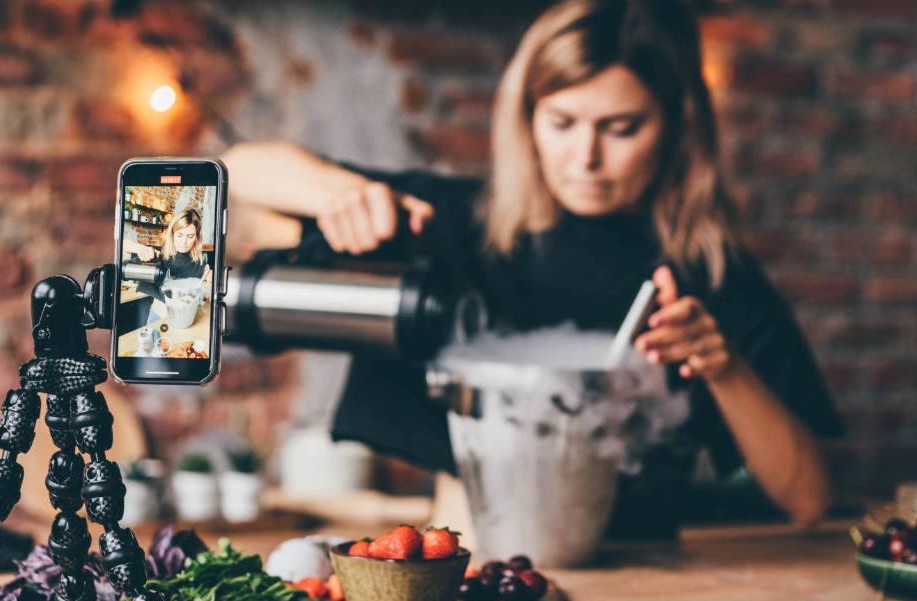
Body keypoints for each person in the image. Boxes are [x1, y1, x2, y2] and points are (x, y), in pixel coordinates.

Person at [222, 0, 842, 537]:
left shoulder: (710, 278)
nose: (585, 157)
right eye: (563, 123)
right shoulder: (451, 224)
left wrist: (722, 365)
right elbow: (237, 172)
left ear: (677, 126)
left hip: (645, 585)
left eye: (621, 128)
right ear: (527, 119)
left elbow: (810, 500)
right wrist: (335, 194)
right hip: (470, 573)